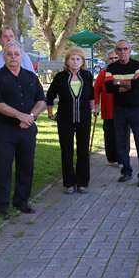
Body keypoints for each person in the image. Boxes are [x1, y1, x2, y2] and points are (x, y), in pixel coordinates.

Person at [0, 41, 46, 217]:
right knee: (3, 167)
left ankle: (22, 201)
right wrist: (20, 116)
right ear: (4, 56)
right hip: (5, 130)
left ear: (22, 57)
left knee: (26, 166)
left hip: (27, 129)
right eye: (9, 54)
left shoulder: (31, 77)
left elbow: (41, 100)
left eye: (16, 54)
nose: (13, 57)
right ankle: (0, 206)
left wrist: (31, 118)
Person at [46, 47, 95, 194]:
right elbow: (50, 96)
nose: (75, 61)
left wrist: (93, 110)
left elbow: (91, 95)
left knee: (83, 150)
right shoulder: (61, 77)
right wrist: (50, 114)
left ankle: (82, 183)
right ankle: (69, 183)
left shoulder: (87, 75)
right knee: (66, 150)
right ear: (67, 61)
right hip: (65, 118)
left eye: (78, 59)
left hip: (84, 117)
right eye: (72, 59)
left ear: (82, 62)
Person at [107, 39, 139, 187]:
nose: (122, 51)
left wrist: (117, 82)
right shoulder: (111, 67)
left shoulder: (138, 65)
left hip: (136, 109)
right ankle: (126, 171)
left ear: (130, 50)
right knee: (121, 142)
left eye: (125, 49)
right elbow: (108, 88)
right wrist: (128, 83)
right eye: (119, 49)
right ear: (116, 52)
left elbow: (138, 86)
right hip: (119, 109)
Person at [93, 49, 119, 167]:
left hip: (122, 110)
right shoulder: (103, 73)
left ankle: (122, 159)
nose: (113, 60)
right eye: (111, 58)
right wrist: (96, 107)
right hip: (107, 110)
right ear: (107, 60)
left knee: (122, 135)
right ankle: (111, 159)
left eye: (115, 58)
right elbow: (96, 91)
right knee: (109, 135)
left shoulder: (123, 72)